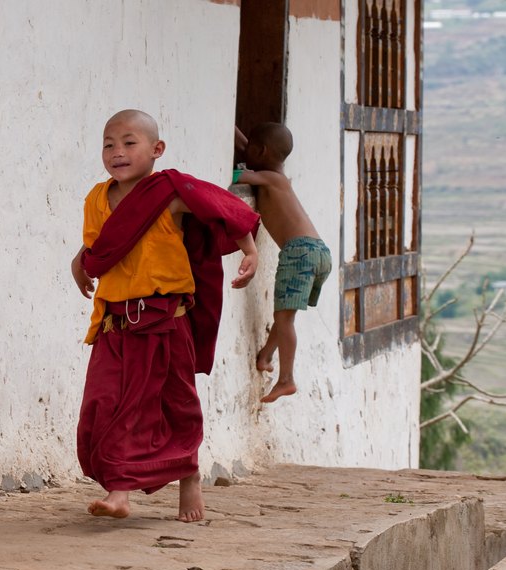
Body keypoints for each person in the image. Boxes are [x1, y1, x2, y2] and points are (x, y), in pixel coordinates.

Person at [70, 110, 261, 522]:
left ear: (156, 150)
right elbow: (100, 245)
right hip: (114, 324)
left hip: (164, 321)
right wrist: (79, 263)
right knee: (106, 404)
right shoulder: (96, 199)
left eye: (129, 142)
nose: (117, 152)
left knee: (175, 405)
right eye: (108, 144)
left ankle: (186, 476)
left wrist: (250, 249)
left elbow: (222, 207)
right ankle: (120, 488)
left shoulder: (169, 194)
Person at [235, 123, 332, 404]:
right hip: (318, 252)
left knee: (285, 318)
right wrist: (235, 130)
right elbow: (249, 147)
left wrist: (237, 170)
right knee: (285, 315)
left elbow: (238, 175)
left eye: (252, 147)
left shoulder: (271, 179)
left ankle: (287, 379)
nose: (246, 149)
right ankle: (266, 355)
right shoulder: (275, 176)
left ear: (262, 152)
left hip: (299, 251)